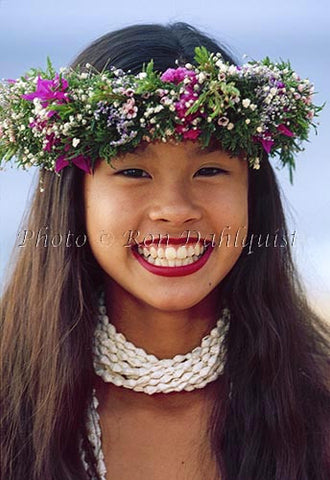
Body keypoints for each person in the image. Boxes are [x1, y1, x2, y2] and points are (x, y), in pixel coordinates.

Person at [1, 22, 329, 480]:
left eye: (210, 169)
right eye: (134, 171)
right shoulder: (9, 406)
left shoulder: (319, 404)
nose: (175, 211)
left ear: (253, 194)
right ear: (76, 198)